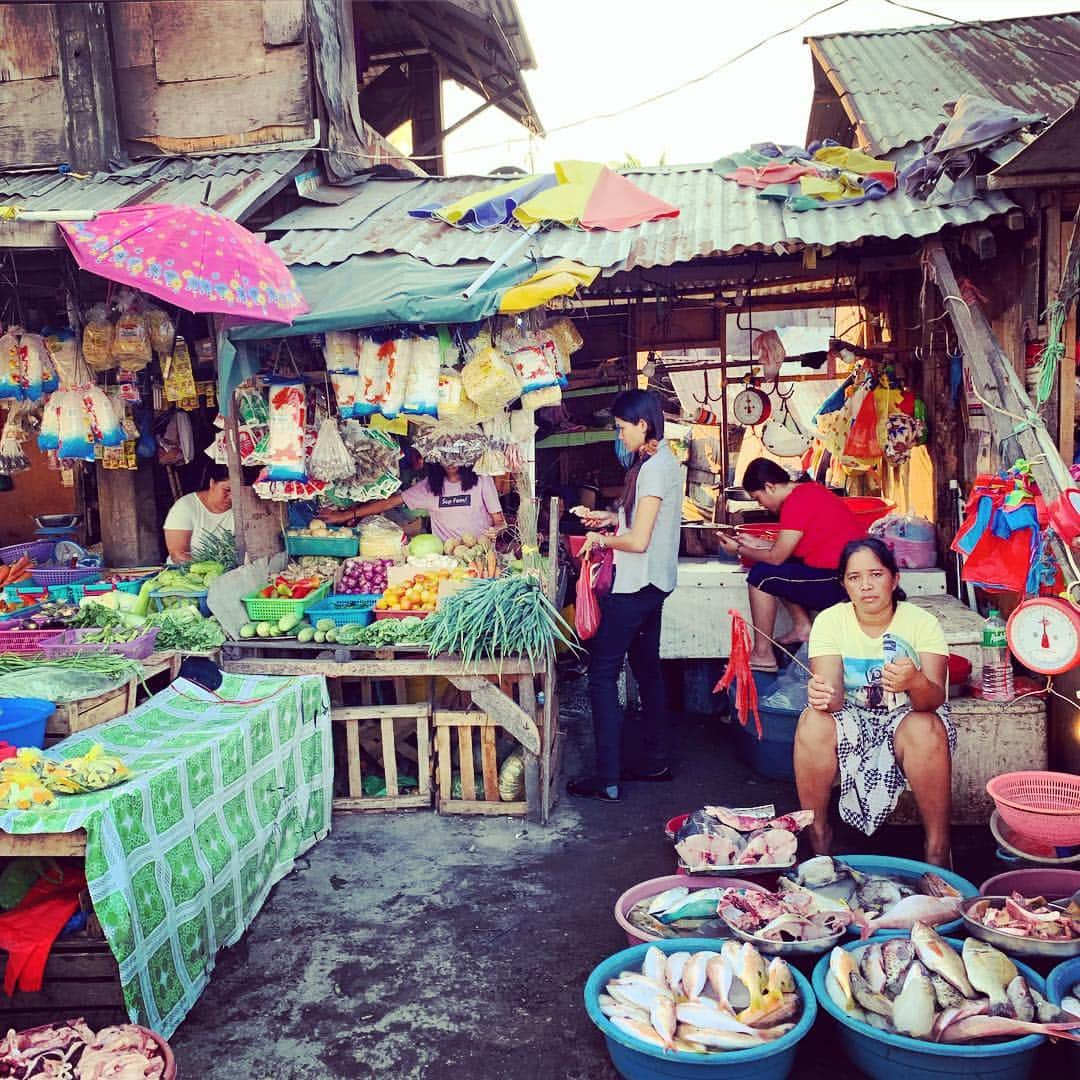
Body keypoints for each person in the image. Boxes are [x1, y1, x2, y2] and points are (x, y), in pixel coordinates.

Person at [795, 537, 953, 867]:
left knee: (926, 727)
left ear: (894, 579)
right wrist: (822, 694)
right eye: (854, 578)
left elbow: (933, 699)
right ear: (844, 585)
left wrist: (915, 682)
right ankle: (819, 837)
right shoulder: (830, 621)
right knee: (812, 721)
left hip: (909, 714)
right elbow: (833, 700)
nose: (866, 586)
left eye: (876, 575)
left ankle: (938, 846)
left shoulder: (921, 623)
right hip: (852, 715)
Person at [567, 389, 683, 802]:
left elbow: (637, 542)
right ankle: (655, 761)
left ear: (643, 425)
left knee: (601, 675)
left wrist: (601, 539)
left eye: (621, 429)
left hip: (636, 587)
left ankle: (607, 777)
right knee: (647, 669)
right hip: (656, 585)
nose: (620, 436)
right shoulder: (661, 461)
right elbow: (639, 522)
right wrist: (611, 517)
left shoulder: (653, 470)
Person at [718, 458, 864, 671]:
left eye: (759, 499)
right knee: (782, 567)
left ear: (769, 486)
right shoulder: (807, 491)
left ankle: (763, 654)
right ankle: (802, 626)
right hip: (842, 572)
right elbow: (788, 547)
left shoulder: (797, 502)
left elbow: (777, 556)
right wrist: (754, 543)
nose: (761, 506)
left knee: (762, 576)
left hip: (840, 581)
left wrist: (738, 550)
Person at [321, 461, 506, 542]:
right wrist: (345, 515)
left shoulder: (482, 480)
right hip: (444, 558)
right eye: (444, 456)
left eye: (455, 455)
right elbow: (389, 503)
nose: (450, 462)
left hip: (481, 556)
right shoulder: (429, 486)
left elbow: (500, 522)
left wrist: (496, 531)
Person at [162, 462, 233, 564]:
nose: (231, 496)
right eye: (227, 490)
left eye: (236, 491)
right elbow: (178, 555)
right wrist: (214, 567)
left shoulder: (245, 507)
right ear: (212, 482)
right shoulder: (185, 507)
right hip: (187, 572)